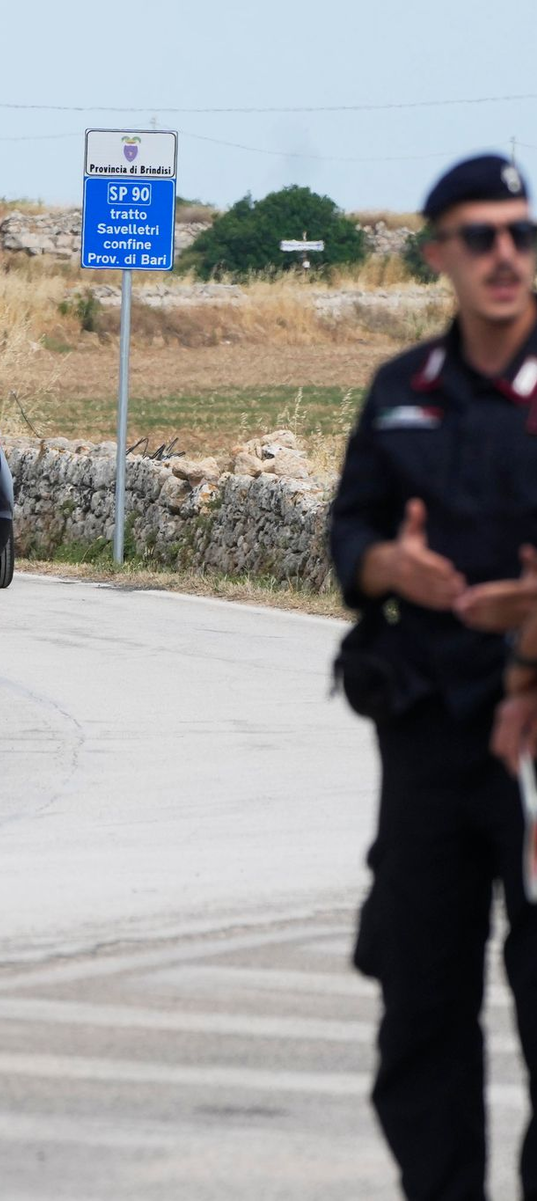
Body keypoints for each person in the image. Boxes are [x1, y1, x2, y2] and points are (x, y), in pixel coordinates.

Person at [330, 153, 537, 1201]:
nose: (507, 255)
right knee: (420, 1008)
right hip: (428, 738)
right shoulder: (400, 393)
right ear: (439, 253)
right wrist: (387, 566)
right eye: (482, 235)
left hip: (535, 735)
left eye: (522, 231)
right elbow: (348, 535)